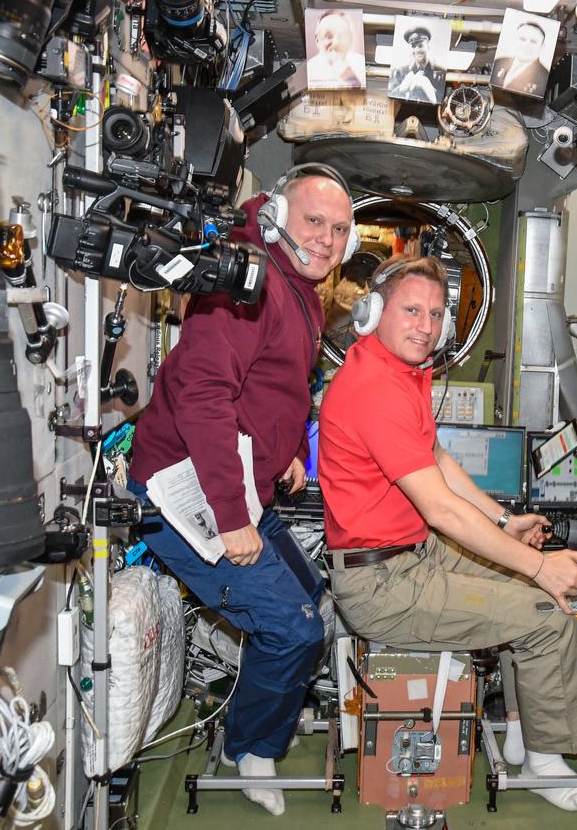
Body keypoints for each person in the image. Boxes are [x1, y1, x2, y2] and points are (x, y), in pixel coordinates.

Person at [318, 256, 577, 812]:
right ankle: (550, 761)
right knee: (545, 613)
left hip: (411, 556)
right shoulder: (374, 388)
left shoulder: (396, 371)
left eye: (435, 314)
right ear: (374, 311)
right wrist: (539, 564)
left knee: (530, 586)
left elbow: (436, 458)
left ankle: (527, 732)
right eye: (411, 310)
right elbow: (443, 512)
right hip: (382, 586)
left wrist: (505, 521)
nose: (425, 326)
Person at [128, 170, 356, 815]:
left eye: (340, 230)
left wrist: (281, 451)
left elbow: (263, 384)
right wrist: (231, 517)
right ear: (280, 213)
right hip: (186, 493)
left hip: (240, 480)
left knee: (309, 596)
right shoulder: (242, 283)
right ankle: (250, 746)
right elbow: (204, 399)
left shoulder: (292, 282)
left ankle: (256, 717)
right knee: (293, 629)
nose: (328, 240)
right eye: (315, 222)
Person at [305, 10, 366, 89]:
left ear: (350, 39)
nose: (336, 42)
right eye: (329, 36)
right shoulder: (309, 70)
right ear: (317, 40)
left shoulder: (361, 64)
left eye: (342, 35)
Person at [491, 21, 551, 98]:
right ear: (515, 41)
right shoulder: (499, 62)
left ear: (542, 46)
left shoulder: (545, 77)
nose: (526, 45)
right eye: (522, 39)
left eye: (533, 41)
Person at [388, 25, 443, 104]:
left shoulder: (441, 72)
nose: (417, 50)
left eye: (420, 46)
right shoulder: (399, 71)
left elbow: (448, 100)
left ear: (428, 46)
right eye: (413, 46)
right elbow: (388, 100)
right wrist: (401, 88)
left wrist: (428, 88)